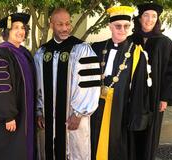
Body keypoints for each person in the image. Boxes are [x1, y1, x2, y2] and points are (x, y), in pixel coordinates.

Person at [34, 8, 101, 160]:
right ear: (51, 25)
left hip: (73, 117)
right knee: (49, 150)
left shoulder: (82, 49)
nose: (65, 28)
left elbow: (89, 85)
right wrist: (39, 110)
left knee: (75, 151)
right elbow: (38, 85)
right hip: (49, 118)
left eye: (67, 24)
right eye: (60, 24)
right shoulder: (42, 52)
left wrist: (79, 113)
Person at [127, 3, 172, 160]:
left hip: (155, 95)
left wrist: (164, 97)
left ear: (157, 19)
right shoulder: (130, 40)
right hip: (131, 95)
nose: (149, 19)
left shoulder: (165, 42)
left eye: (153, 16)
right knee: (130, 127)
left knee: (151, 131)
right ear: (139, 18)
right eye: (146, 15)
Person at [0, 13, 35, 160]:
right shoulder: (2, 52)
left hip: (25, 114)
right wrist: (8, 115)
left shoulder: (24, 53)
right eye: (16, 28)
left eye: (23, 28)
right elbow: (0, 86)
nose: (21, 31)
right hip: (11, 117)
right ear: (7, 32)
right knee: (10, 151)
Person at [90, 6, 136, 160]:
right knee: (92, 140)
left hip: (120, 108)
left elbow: (138, 88)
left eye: (126, 26)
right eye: (118, 26)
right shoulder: (96, 48)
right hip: (95, 106)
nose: (122, 30)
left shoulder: (137, 53)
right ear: (110, 27)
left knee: (115, 145)